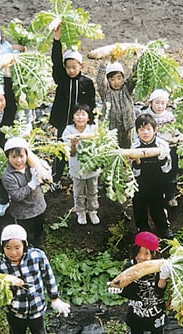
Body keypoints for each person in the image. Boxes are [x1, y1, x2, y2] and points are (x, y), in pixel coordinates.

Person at [0, 224, 71, 334]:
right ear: (2, 248)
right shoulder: (0, 266)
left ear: (25, 244)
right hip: (15, 310)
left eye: (17, 247)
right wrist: (1, 282)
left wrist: (54, 298)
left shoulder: (37, 256)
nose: (13, 253)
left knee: (39, 333)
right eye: (8, 248)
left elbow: (48, 277)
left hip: (36, 307)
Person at [107, 231, 171, 334]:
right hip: (137, 312)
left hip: (156, 312)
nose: (141, 257)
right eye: (139, 252)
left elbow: (160, 293)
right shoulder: (129, 266)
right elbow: (130, 292)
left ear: (154, 254)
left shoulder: (160, 267)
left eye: (147, 254)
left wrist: (163, 278)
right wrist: (120, 290)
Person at [50, 23, 96, 185]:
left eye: (74, 67)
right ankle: (55, 176)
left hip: (81, 122)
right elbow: (55, 61)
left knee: (82, 147)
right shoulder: (61, 79)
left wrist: (91, 120)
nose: (71, 70)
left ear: (81, 66)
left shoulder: (86, 82)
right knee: (61, 148)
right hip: (63, 120)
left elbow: (91, 103)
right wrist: (57, 40)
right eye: (68, 67)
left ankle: (81, 174)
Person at [131, 114, 173, 239]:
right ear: (137, 132)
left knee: (158, 205)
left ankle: (163, 228)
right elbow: (134, 173)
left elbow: (167, 169)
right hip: (140, 182)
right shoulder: (134, 147)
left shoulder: (162, 145)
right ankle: (142, 228)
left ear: (155, 130)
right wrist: (137, 162)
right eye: (141, 129)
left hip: (158, 181)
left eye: (148, 129)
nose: (145, 132)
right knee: (139, 205)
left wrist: (162, 159)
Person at [1, 137, 47, 245]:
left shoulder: (31, 166)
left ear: (27, 155)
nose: (18, 160)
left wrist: (44, 171)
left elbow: (45, 175)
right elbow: (17, 195)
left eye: (21, 156)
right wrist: (31, 185)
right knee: (26, 236)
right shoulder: (7, 176)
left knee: (39, 230)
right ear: (7, 157)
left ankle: (38, 247)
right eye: (14, 157)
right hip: (23, 214)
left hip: (39, 207)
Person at [61, 104, 100, 225]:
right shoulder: (68, 131)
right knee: (78, 191)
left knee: (92, 190)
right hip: (77, 167)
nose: (80, 117)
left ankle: (92, 210)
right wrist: (73, 144)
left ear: (88, 117)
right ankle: (80, 211)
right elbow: (71, 154)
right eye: (77, 114)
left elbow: (99, 148)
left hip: (92, 167)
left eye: (83, 114)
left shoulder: (93, 128)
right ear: (72, 118)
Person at [141, 89, 179, 207]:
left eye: (163, 103)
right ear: (151, 103)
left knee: (171, 173)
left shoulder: (169, 116)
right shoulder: (145, 116)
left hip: (170, 147)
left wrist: (177, 137)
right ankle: (155, 195)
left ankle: (170, 196)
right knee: (155, 173)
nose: (160, 106)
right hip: (153, 149)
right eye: (157, 103)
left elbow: (175, 131)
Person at [96, 60, 136, 148]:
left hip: (127, 127)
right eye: (112, 79)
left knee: (127, 150)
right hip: (111, 130)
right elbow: (100, 82)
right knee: (112, 149)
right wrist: (102, 67)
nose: (116, 82)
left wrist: (137, 62)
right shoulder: (106, 92)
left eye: (119, 78)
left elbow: (134, 77)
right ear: (108, 80)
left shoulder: (126, 89)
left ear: (123, 78)